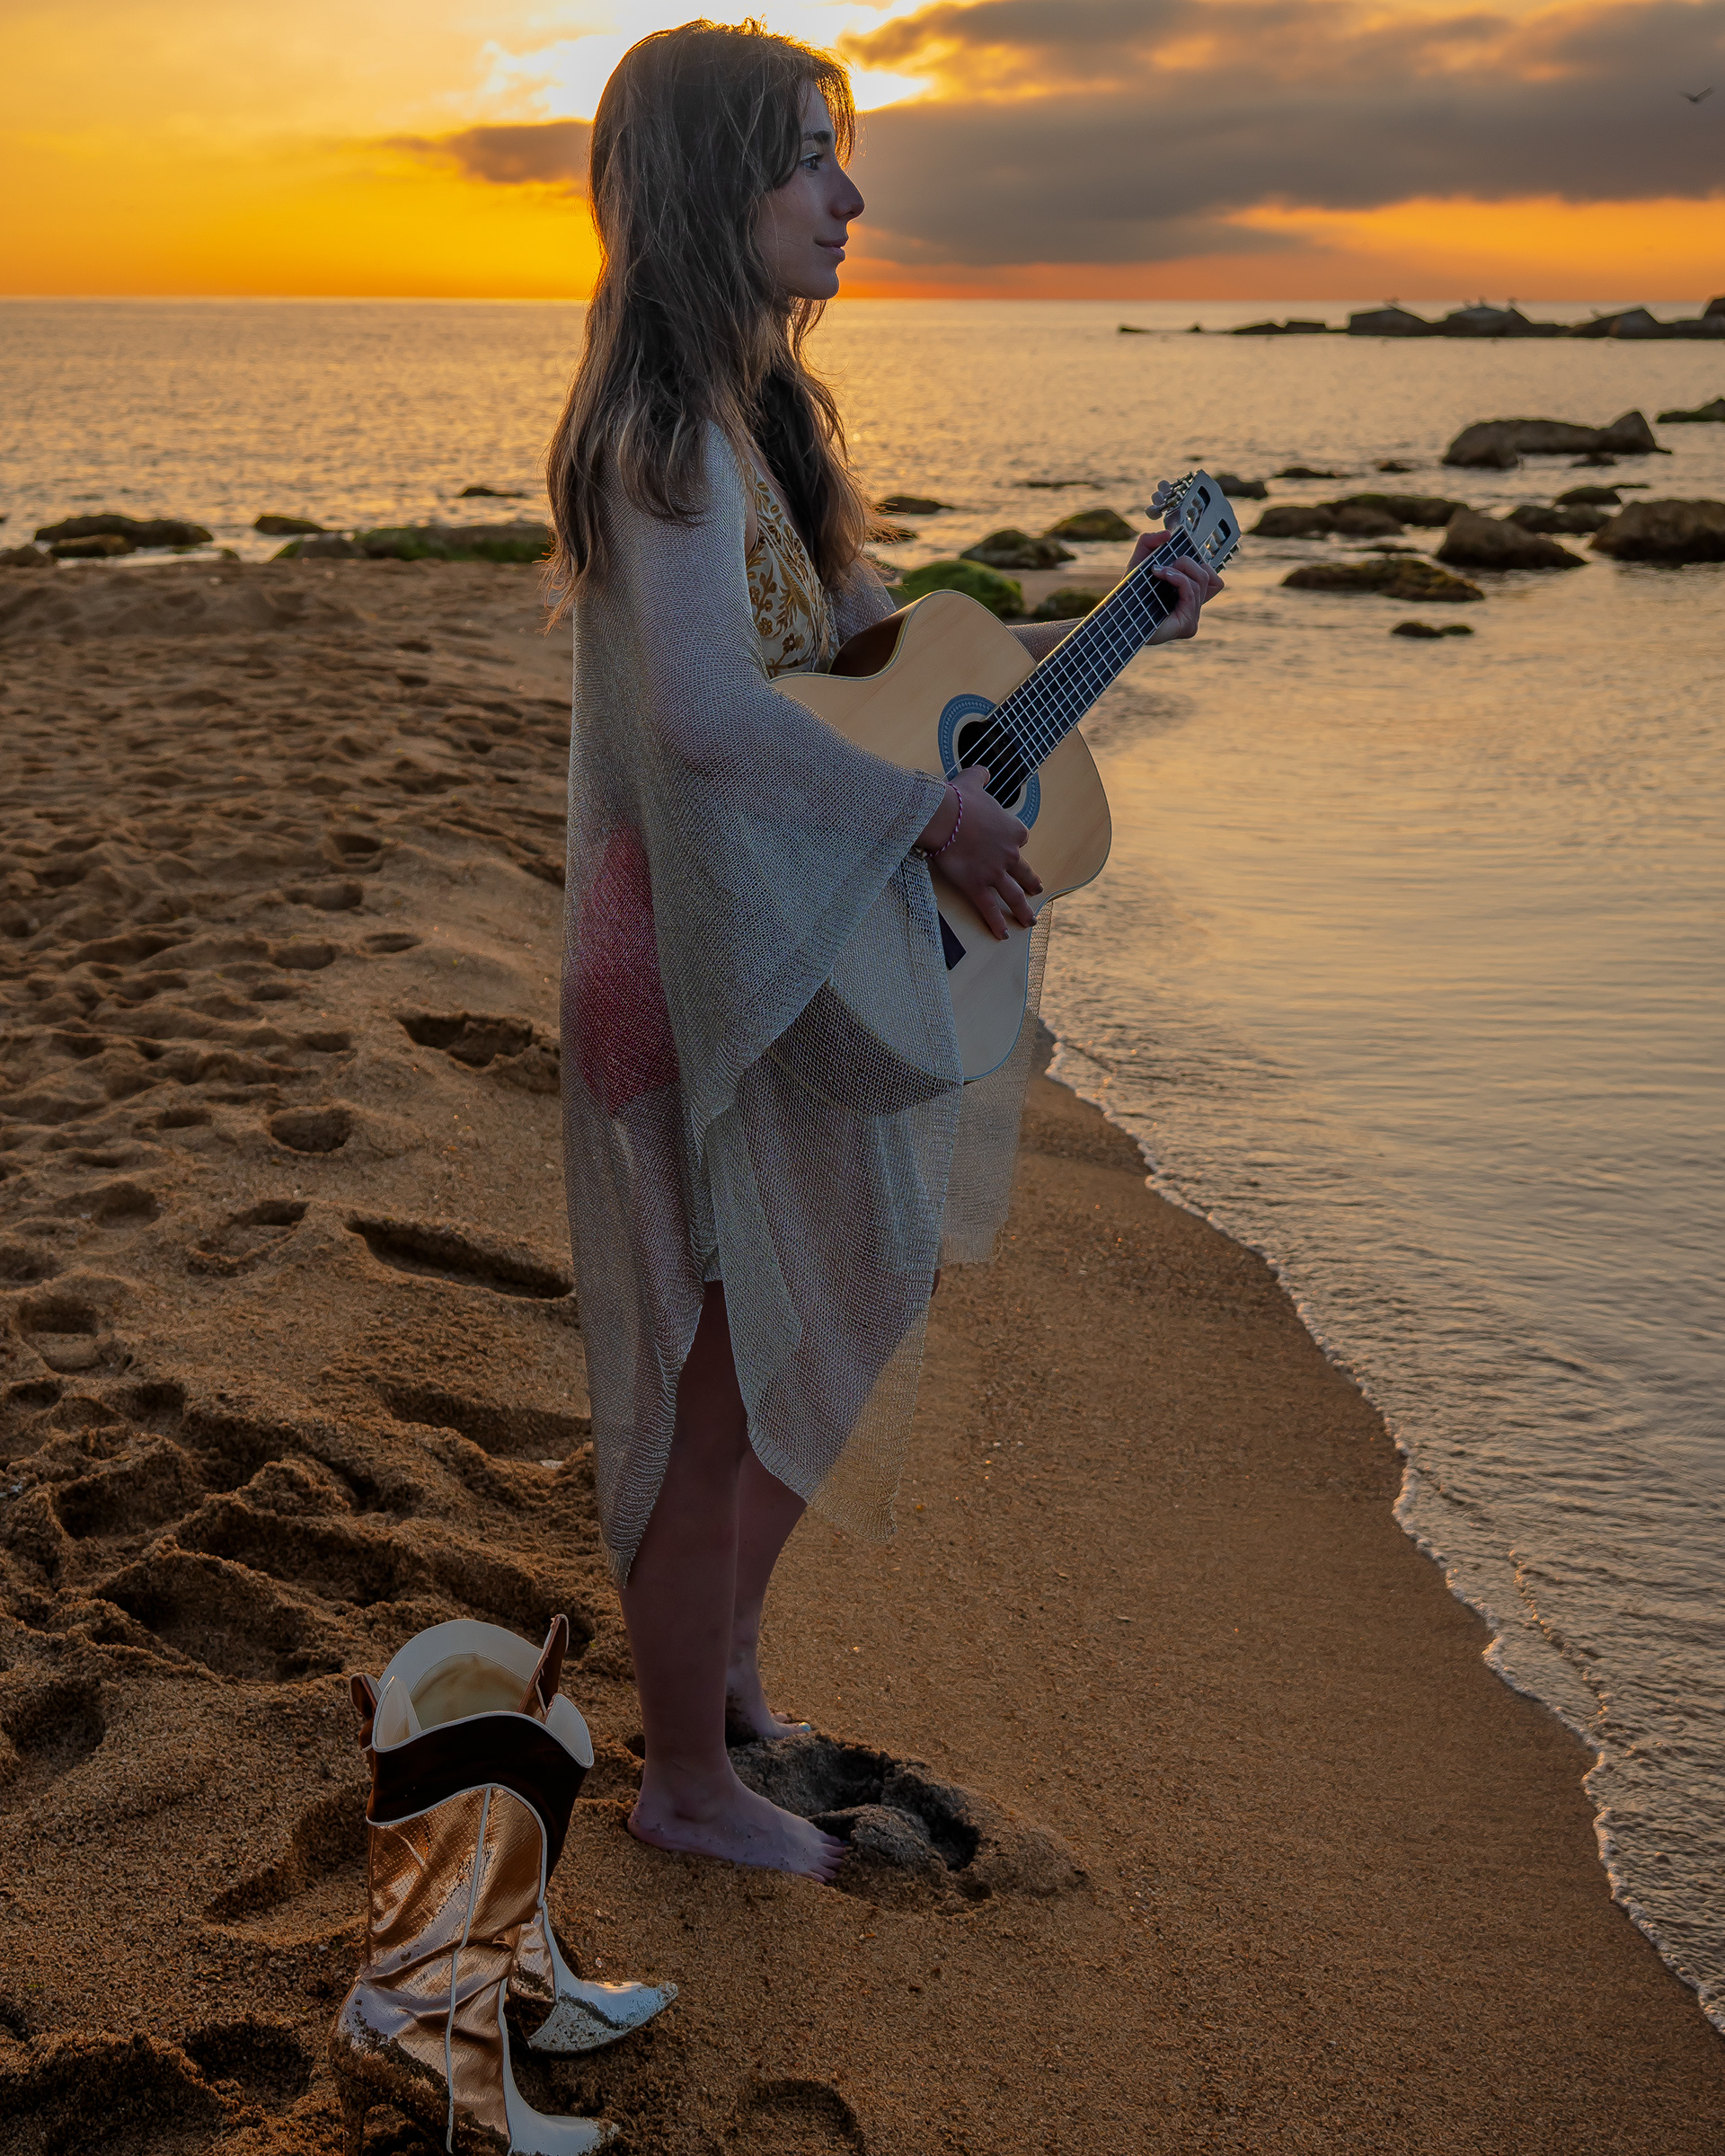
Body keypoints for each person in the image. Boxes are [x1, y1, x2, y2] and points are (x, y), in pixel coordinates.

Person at [545, 19, 1221, 1882]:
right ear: (710, 189)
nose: (850, 198)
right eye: (809, 162)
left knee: (852, 1291)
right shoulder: (660, 429)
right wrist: (926, 818)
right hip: (685, 954)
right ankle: (685, 1783)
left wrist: (1120, 624)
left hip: (789, 933)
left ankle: (733, 1681)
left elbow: (888, 671)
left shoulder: (767, 417)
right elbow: (694, 714)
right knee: (717, 1374)